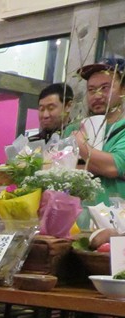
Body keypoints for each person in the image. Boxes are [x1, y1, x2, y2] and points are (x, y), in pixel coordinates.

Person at [68, 57, 125, 206]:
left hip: (114, 222)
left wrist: (81, 146)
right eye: (91, 90)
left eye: (105, 88)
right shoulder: (73, 128)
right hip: (75, 221)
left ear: (123, 89)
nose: (97, 95)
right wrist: (98, 164)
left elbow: (113, 166)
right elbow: (56, 168)